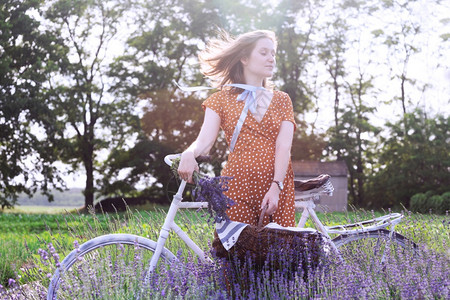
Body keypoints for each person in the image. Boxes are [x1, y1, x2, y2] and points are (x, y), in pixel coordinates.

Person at [177, 30, 296, 227]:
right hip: (237, 183)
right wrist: (188, 153)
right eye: (264, 52)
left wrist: (276, 187)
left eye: (273, 54)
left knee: (279, 253)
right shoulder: (220, 99)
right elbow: (204, 141)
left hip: (276, 184)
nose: (271, 59)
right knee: (235, 253)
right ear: (244, 58)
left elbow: (283, 146)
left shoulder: (282, 100)